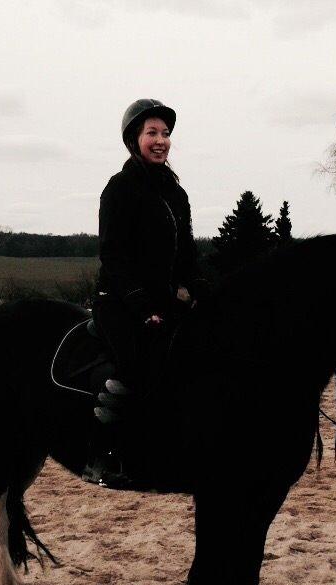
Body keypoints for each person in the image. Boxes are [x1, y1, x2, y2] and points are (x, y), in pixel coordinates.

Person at [82, 98, 201, 487]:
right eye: (152, 132)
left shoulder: (176, 194)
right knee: (135, 364)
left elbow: (187, 254)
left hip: (165, 302)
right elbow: (112, 256)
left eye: (166, 133)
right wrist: (139, 305)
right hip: (118, 301)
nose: (161, 140)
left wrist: (197, 290)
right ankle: (103, 454)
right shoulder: (119, 189)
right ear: (135, 139)